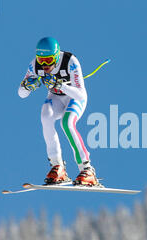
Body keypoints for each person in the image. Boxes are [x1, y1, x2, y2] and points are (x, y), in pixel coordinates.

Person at [18, 37, 98, 186]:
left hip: (74, 98)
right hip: (56, 98)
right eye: (41, 60)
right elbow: (21, 94)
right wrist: (27, 86)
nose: (45, 65)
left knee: (67, 123)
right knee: (45, 115)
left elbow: (80, 94)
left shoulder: (70, 61)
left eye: (48, 60)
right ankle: (57, 166)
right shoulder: (35, 66)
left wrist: (60, 85)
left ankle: (87, 169)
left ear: (56, 56)